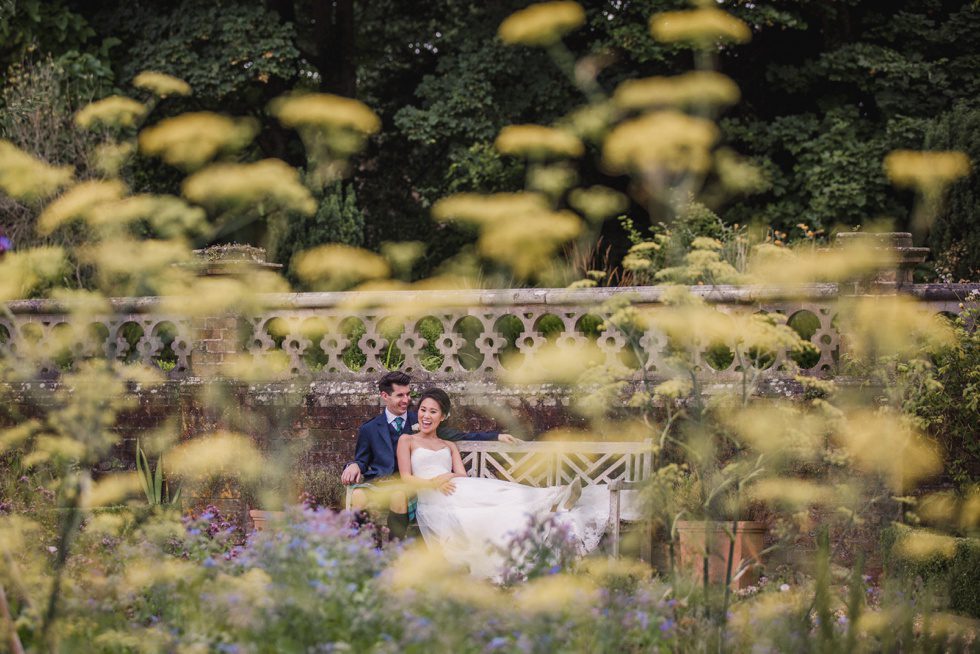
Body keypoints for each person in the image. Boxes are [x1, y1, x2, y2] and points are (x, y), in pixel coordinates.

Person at [397, 387, 612, 580]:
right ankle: (553, 502)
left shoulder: (448, 444)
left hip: (458, 486)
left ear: (443, 416)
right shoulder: (407, 440)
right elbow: (406, 477)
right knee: (501, 509)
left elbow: (460, 474)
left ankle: (555, 497)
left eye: (433, 412)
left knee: (501, 492)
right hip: (434, 497)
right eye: (423, 410)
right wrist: (433, 483)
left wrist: (447, 477)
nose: (426, 416)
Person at [340, 371, 520, 539]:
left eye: (408, 394)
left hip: (407, 485)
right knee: (358, 495)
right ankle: (361, 546)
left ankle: (395, 548)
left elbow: (460, 435)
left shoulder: (421, 419)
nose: (406, 400)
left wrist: (496, 436)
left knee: (398, 495)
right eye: (400, 395)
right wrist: (353, 465)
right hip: (379, 482)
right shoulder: (369, 428)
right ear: (385, 396)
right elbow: (362, 459)